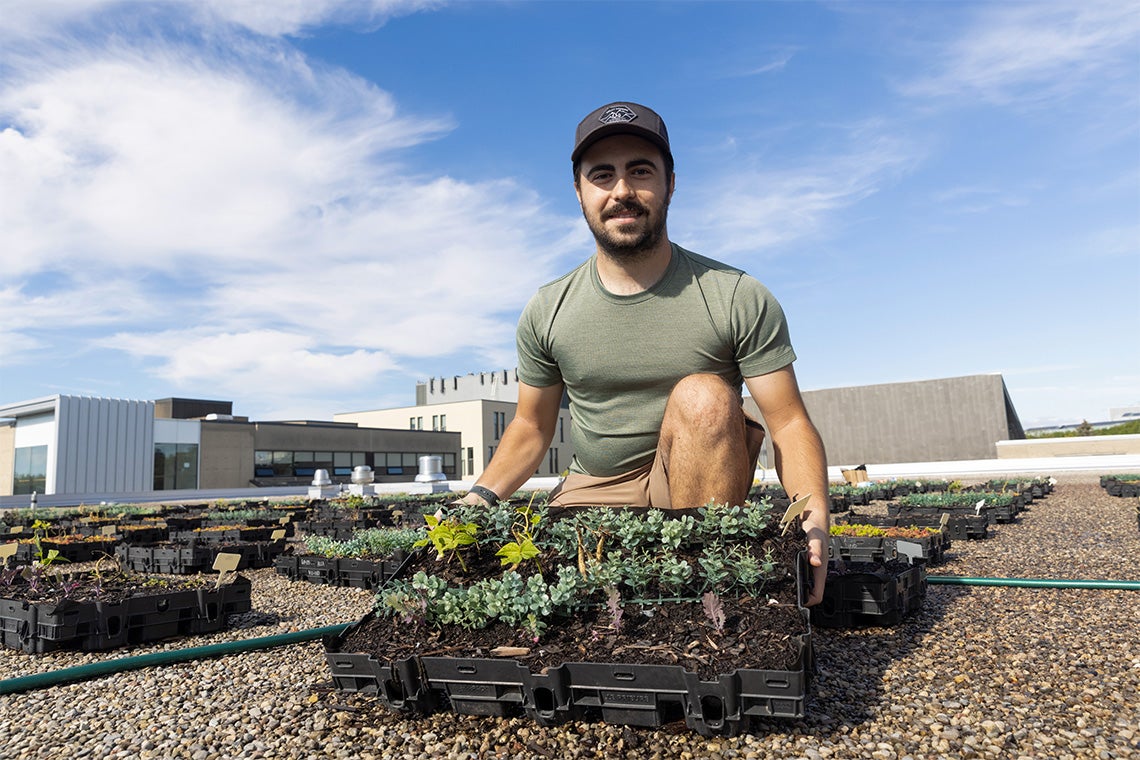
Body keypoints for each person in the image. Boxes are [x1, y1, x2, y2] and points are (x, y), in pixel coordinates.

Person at [458, 101, 830, 605]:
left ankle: (707, 594)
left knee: (703, 396)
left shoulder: (735, 295)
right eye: (602, 175)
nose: (621, 191)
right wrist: (478, 499)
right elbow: (531, 426)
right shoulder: (548, 309)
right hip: (594, 488)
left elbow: (787, 421)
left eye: (640, 171)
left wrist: (813, 514)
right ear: (579, 191)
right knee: (552, 601)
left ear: (670, 184)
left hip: (695, 486)